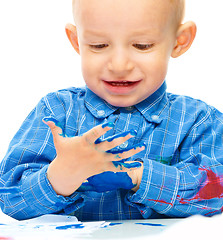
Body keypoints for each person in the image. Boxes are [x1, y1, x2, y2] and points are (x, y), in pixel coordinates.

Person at [1, 0, 223, 221]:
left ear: (179, 42)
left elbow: (217, 193)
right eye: (99, 45)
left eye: (142, 45)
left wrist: (138, 175)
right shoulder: (56, 111)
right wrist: (60, 177)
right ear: (77, 41)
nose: (119, 65)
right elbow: (8, 198)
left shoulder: (198, 120)